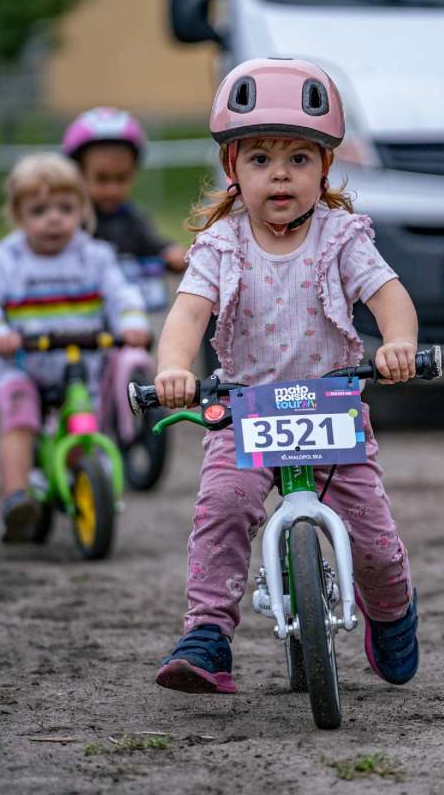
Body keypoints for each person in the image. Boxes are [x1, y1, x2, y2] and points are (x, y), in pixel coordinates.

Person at [152, 58, 421, 695]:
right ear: (233, 168)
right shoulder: (220, 246)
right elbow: (187, 315)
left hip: (331, 409)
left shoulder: (341, 238)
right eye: (260, 159)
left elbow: (389, 297)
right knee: (223, 508)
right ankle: (208, 633)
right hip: (244, 410)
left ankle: (391, 611)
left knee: (374, 538)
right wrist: (173, 368)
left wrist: (398, 344)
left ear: (324, 167)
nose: (280, 174)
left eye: (299, 159)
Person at [0, 153, 150, 543]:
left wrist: (131, 323)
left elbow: (122, 295)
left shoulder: (94, 257)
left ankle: (83, 481)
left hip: (80, 364)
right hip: (23, 364)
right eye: (39, 210)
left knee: (84, 421)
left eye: (65, 208)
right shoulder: (3, 261)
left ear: (82, 209)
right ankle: (16, 497)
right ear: (18, 215)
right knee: (20, 419)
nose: (54, 219)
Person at [62, 107, 187, 312]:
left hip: (127, 314)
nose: (112, 189)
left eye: (121, 178)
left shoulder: (132, 218)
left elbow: (151, 243)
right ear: (79, 173)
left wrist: (169, 251)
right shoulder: (70, 222)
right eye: (102, 179)